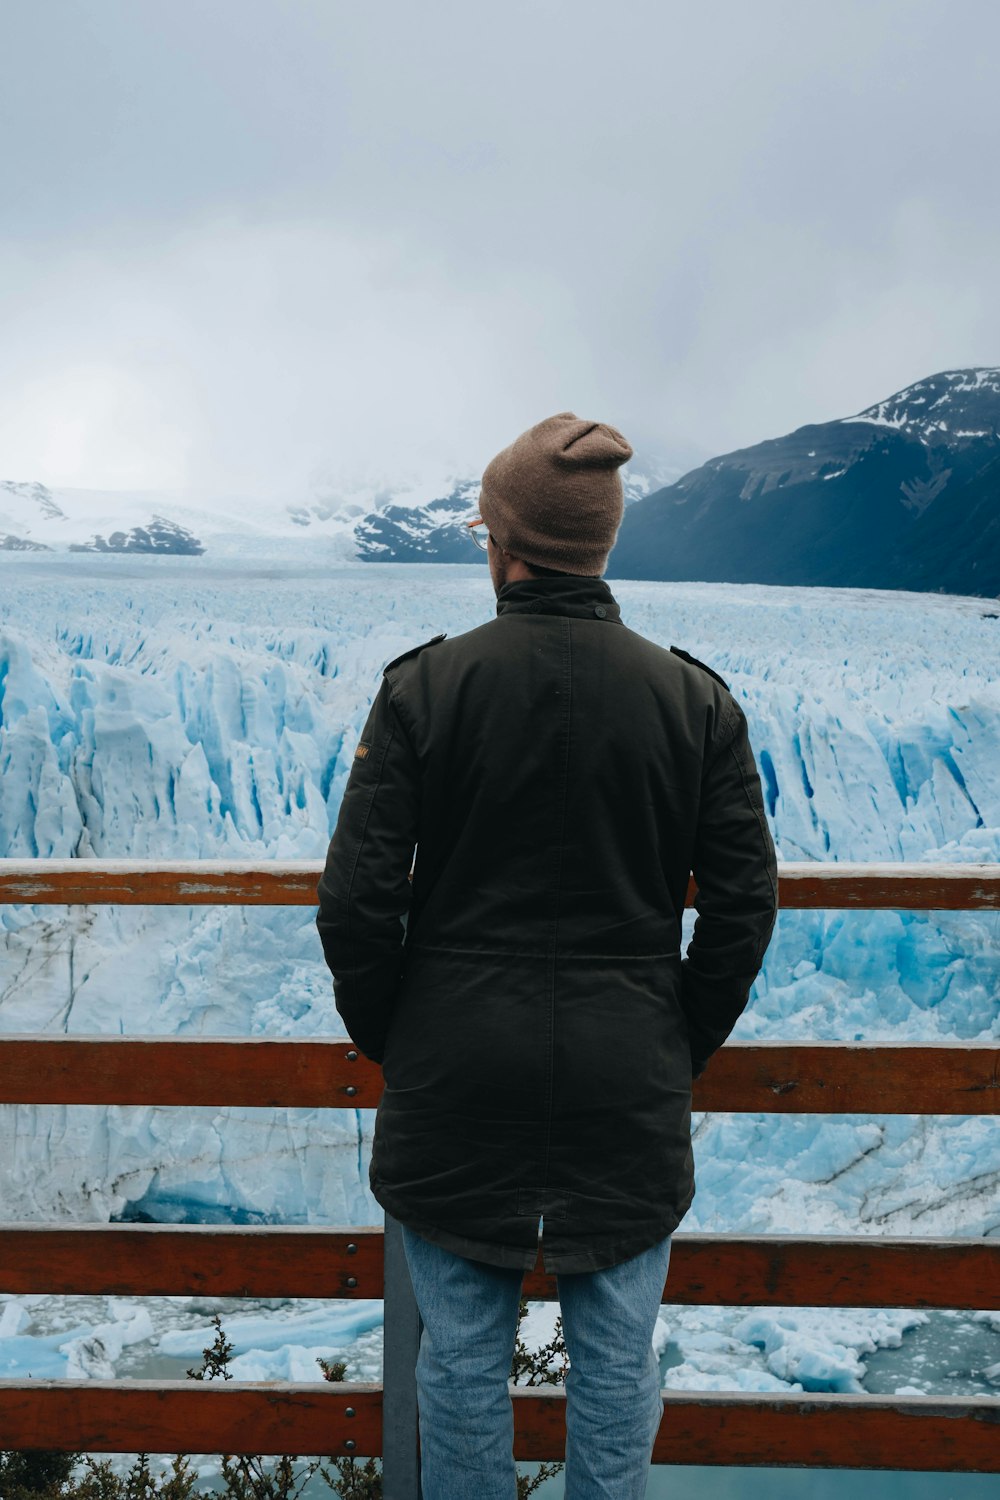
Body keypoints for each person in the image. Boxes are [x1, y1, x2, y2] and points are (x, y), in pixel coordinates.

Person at [316, 411, 779, 1498]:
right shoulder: (694, 703)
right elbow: (744, 904)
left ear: (506, 544)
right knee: (616, 1367)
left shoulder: (427, 688)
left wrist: (409, 1034)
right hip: (626, 1082)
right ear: (600, 544)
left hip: (454, 1077)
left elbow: (355, 902)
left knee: (464, 1358)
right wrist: (670, 1036)